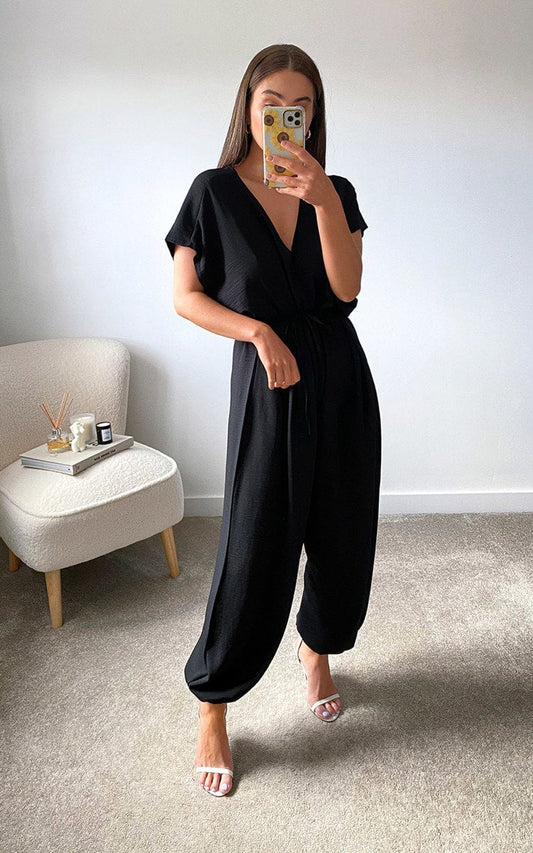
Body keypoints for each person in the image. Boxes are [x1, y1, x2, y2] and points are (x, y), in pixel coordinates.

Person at [165, 44, 381, 798]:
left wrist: (323, 201)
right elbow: (185, 297)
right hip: (269, 383)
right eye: (271, 104)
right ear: (248, 108)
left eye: (300, 106)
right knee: (254, 542)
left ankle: (316, 650)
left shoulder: (335, 189)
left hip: (340, 378)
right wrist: (256, 332)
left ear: (313, 116)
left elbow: (346, 291)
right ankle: (213, 705)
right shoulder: (213, 192)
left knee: (342, 532)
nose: (286, 117)